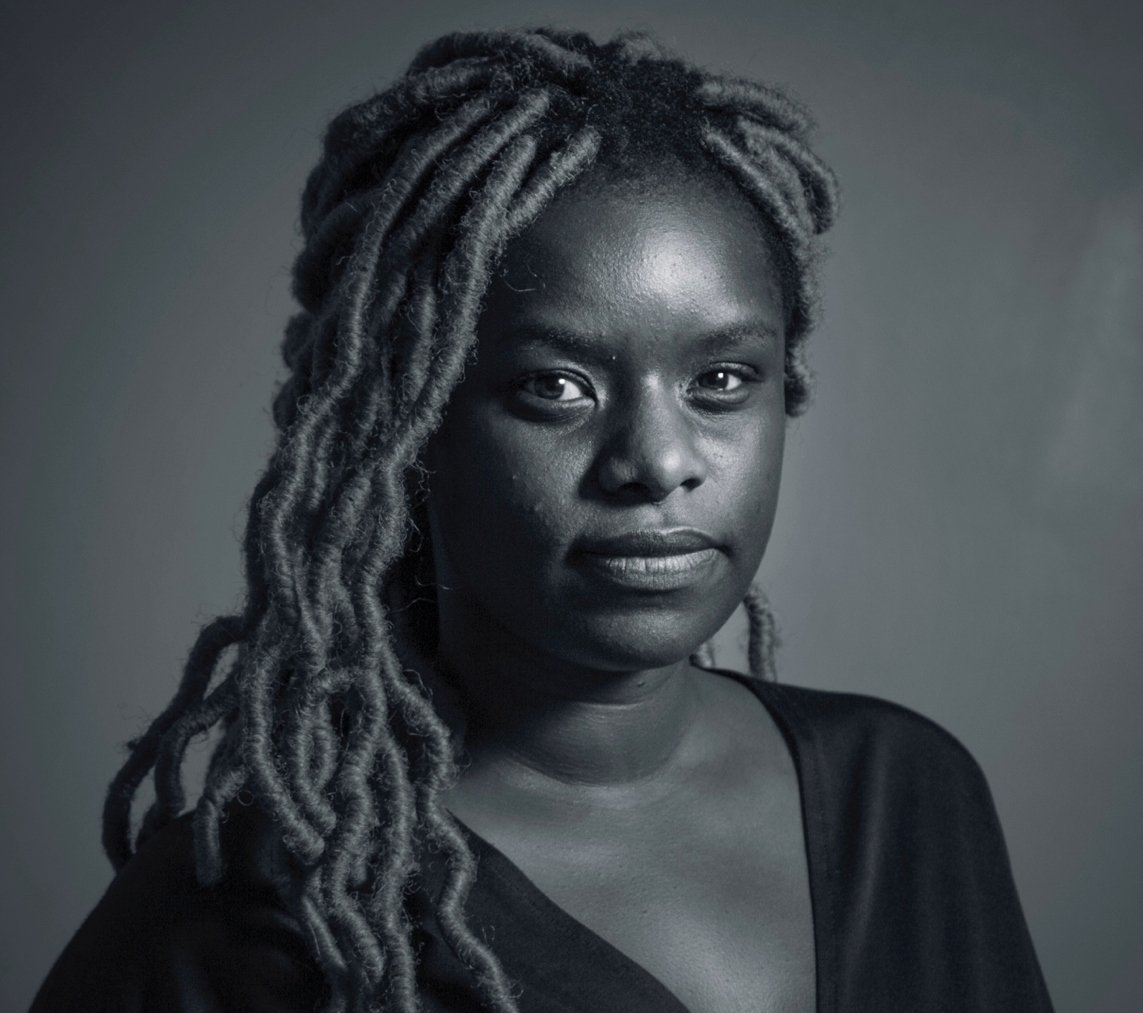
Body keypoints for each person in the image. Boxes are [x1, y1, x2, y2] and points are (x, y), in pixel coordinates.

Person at [31, 27, 1053, 1013]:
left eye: (721, 379)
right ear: (406, 422)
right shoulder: (255, 919)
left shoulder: (908, 794)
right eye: (555, 386)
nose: (658, 460)